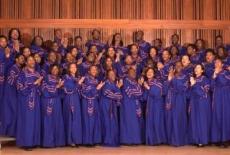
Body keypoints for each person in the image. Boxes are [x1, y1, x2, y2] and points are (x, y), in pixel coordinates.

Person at [16, 56, 42, 150]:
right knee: (27, 121)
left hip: (36, 99)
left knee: (35, 120)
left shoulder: (37, 74)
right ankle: (26, 143)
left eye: (33, 60)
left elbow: (41, 88)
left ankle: (33, 142)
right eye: (29, 60)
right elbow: (19, 86)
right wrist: (34, 84)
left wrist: (39, 85)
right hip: (25, 100)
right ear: (26, 63)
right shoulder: (22, 73)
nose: (32, 61)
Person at [165, 61, 189, 146]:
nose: (178, 67)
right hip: (170, 99)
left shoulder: (185, 77)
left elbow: (183, 88)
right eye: (176, 65)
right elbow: (165, 89)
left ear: (182, 67)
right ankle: (172, 140)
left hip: (180, 99)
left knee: (179, 118)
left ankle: (179, 140)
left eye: (180, 65)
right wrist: (169, 79)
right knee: (171, 119)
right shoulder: (171, 76)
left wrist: (173, 79)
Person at [41, 64, 65, 148]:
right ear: (50, 70)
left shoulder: (59, 79)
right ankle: (48, 142)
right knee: (48, 120)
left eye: (57, 69)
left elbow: (61, 94)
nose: (55, 70)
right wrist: (57, 87)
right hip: (48, 101)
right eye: (53, 68)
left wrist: (62, 87)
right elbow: (44, 89)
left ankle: (57, 142)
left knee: (57, 120)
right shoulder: (46, 77)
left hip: (57, 102)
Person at [188, 64, 211, 147]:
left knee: (202, 121)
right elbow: (189, 93)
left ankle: (202, 140)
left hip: (202, 102)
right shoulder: (193, 79)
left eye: (198, 68)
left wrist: (194, 85)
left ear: (202, 70)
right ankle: (196, 139)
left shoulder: (205, 79)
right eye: (195, 68)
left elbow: (203, 93)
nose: (196, 69)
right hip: (194, 102)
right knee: (194, 120)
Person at [120, 67, 144, 145]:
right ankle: (128, 141)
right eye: (131, 72)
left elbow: (140, 93)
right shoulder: (126, 81)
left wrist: (138, 89)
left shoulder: (136, 82)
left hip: (135, 104)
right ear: (128, 73)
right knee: (129, 122)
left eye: (134, 72)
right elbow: (130, 93)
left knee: (136, 122)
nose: (133, 73)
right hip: (127, 105)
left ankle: (135, 140)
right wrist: (138, 91)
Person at [81, 65, 104, 146]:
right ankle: (88, 141)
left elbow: (97, 93)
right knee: (87, 121)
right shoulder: (86, 79)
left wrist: (97, 89)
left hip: (94, 102)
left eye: (95, 69)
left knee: (94, 120)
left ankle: (94, 140)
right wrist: (96, 89)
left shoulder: (96, 80)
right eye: (92, 69)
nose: (94, 71)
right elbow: (86, 91)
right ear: (89, 71)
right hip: (87, 101)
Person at [2, 54, 25, 137]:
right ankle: (8, 132)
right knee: (11, 112)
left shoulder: (19, 69)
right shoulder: (13, 68)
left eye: (23, 58)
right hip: (10, 93)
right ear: (16, 59)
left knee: (15, 112)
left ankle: (13, 132)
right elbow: (11, 80)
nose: (23, 60)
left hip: (15, 93)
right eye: (21, 58)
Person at [143, 68, 166, 145]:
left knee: (157, 121)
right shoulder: (146, 83)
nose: (149, 73)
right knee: (150, 121)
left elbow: (157, 94)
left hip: (157, 104)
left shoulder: (157, 82)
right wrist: (144, 87)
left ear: (154, 74)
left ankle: (158, 140)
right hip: (149, 105)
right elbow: (144, 97)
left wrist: (148, 88)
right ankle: (150, 140)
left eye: (151, 72)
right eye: (148, 72)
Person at [63, 63, 83, 146]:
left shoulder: (77, 78)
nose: (74, 68)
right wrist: (79, 84)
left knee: (76, 119)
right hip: (70, 99)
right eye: (72, 67)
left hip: (76, 99)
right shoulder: (67, 77)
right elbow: (70, 89)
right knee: (71, 118)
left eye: (75, 67)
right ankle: (71, 140)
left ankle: (76, 139)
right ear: (69, 69)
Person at [211, 58, 230, 147]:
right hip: (217, 97)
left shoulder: (226, 73)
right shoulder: (214, 73)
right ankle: (218, 139)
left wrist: (217, 74)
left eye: (218, 62)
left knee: (225, 116)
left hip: (225, 96)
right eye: (215, 63)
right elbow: (211, 87)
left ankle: (225, 139)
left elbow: (224, 82)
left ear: (222, 65)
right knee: (217, 116)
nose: (216, 64)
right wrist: (214, 75)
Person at [100, 70, 123, 146]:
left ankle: (113, 140)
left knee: (113, 122)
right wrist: (116, 92)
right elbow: (107, 93)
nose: (112, 75)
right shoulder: (106, 83)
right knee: (107, 122)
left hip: (113, 105)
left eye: (113, 74)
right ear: (107, 75)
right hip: (106, 105)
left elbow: (120, 95)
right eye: (110, 74)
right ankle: (107, 141)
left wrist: (116, 91)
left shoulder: (114, 84)